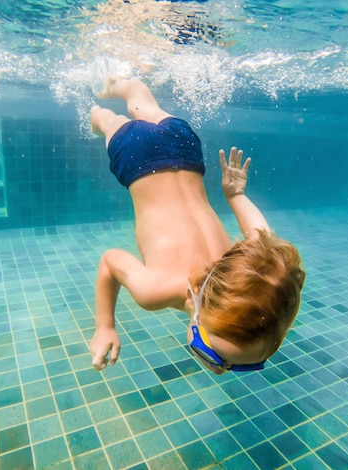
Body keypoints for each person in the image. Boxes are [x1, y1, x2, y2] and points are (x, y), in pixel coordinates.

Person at [89, 77, 305, 375]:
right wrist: (105, 327)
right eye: (211, 355)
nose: (220, 370)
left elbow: (260, 233)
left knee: (143, 102)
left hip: (184, 147)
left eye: (247, 366)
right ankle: (94, 111)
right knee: (105, 119)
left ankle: (123, 84)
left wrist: (236, 195)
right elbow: (110, 261)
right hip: (134, 155)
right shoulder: (155, 290)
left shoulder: (239, 267)